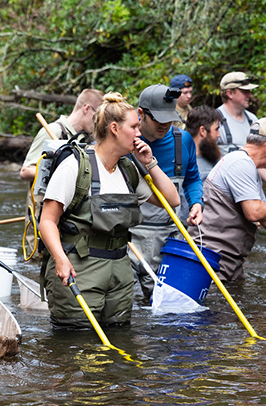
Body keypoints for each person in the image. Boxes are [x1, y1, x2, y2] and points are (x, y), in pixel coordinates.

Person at [36, 93, 178, 328]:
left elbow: (171, 200)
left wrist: (150, 162)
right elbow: (47, 221)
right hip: (79, 269)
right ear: (114, 128)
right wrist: (60, 259)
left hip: (120, 273)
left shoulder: (128, 169)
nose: (139, 133)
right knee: (78, 345)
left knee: (120, 340)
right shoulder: (75, 166)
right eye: (133, 127)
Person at [130, 84, 203, 303]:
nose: (165, 125)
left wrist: (196, 203)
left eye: (169, 119)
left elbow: (192, 179)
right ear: (141, 113)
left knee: (166, 308)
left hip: (170, 238)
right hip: (130, 238)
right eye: (158, 120)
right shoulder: (122, 143)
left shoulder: (184, 141)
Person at [198, 118, 266, 282]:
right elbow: (254, 212)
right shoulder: (240, 163)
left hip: (228, 262)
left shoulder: (247, 165)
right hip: (212, 261)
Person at [19, 89, 104, 181]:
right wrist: (60, 170)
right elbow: (25, 171)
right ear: (86, 108)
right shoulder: (53, 131)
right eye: (97, 117)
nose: (98, 123)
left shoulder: (84, 138)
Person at [215, 71, 266, 190]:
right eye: (245, 91)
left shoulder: (252, 120)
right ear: (229, 93)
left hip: (250, 188)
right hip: (225, 191)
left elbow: (260, 159)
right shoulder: (215, 121)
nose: (250, 95)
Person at [186, 105, 223, 176]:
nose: (219, 135)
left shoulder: (217, 160)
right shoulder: (181, 163)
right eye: (216, 129)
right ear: (202, 131)